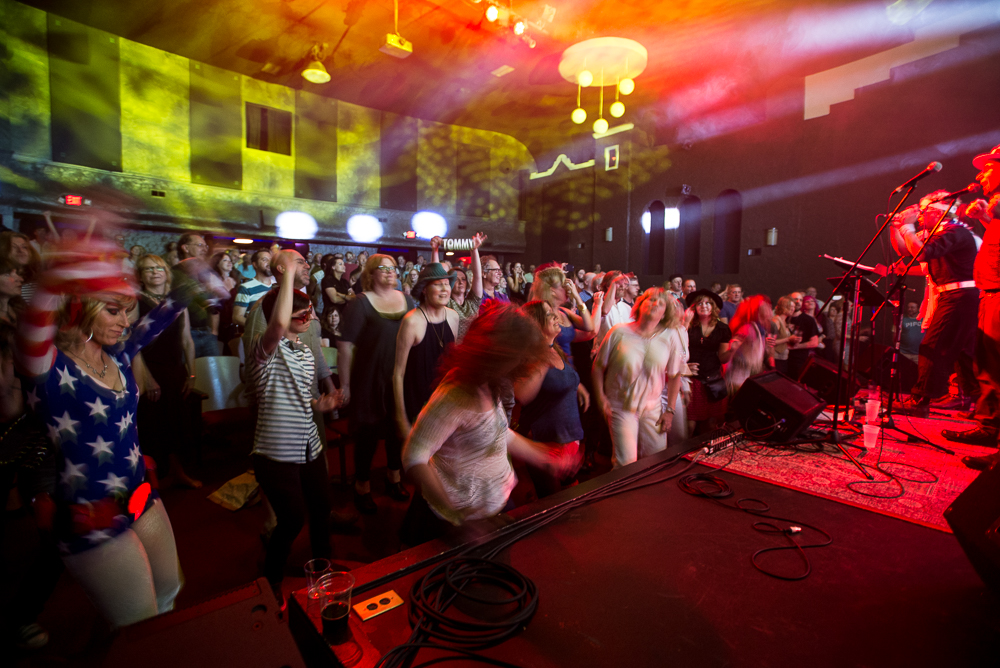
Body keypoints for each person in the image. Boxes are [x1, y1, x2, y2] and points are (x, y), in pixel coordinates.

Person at [14, 238, 226, 628]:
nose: (125, 322)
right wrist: (65, 269)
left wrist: (191, 274)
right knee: (138, 625)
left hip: (140, 493)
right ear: (79, 310)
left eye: (126, 312)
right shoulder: (46, 367)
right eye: (113, 311)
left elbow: (162, 315)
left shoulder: (118, 353)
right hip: (89, 517)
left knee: (169, 594)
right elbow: (34, 319)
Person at [399, 304, 573, 545]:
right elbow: (414, 457)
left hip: (489, 512)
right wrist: (459, 520)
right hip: (452, 522)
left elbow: (499, 432)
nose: (524, 364)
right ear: (495, 354)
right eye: (518, 357)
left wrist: (542, 456)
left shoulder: (490, 384)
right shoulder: (456, 393)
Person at [247, 253, 341, 602]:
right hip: (276, 451)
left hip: (309, 444)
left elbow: (306, 398)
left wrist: (323, 403)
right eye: (300, 313)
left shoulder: (301, 351)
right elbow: (276, 326)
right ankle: (270, 576)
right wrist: (286, 276)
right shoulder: (266, 350)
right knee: (291, 520)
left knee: (321, 509)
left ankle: (324, 567)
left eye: (311, 311)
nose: (310, 317)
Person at [338, 255, 416, 514]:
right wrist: (345, 385)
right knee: (368, 436)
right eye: (384, 268)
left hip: (401, 377)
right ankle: (362, 487)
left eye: (394, 267)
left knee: (397, 431)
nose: (391, 272)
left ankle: (393, 478)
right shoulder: (360, 303)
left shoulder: (407, 300)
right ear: (370, 274)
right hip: (369, 378)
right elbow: (345, 346)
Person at [891, 192, 978, 416]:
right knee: (964, 352)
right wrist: (897, 227)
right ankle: (979, 403)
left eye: (924, 211)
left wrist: (907, 228)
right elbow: (904, 249)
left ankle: (920, 400)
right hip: (956, 296)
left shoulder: (954, 231)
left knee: (933, 345)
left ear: (939, 213)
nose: (920, 216)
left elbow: (921, 253)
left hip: (960, 294)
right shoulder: (937, 232)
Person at [944, 145, 1000, 462]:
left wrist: (988, 209)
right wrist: (985, 217)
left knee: (997, 363)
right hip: (990, 289)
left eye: (989, 168)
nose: (980, 175)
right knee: (988, 363)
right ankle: (990, 427)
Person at [592, 288, 687, 468]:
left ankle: (649, 496)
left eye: (660, 304)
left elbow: (675, 375)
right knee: (625, 463)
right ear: (640, 305)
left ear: (665, 313)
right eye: (650, 300)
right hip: (621, 405)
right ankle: (621, 496)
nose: (654, 305)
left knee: (656, 460)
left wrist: (670, 411)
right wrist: (601, 398)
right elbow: (597, 367)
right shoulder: (618, 332)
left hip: (653, 407)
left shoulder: (671, 336)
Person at [133, 254, 200, 489]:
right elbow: (132, 344)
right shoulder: (136, 302)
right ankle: (154, 480)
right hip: (150, 370)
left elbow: (187, 340)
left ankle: (178, 472)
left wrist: (191, 374)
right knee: (154, 428)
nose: (155, 272)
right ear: (140, 276)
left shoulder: (177, 302)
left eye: (159, 267)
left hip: (175, 371)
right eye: (148, 268)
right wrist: (146, 378)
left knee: (177, 425)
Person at [515, 300, 589, 498]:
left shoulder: (554, 348)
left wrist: (577, 386)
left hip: (566, 439)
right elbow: (521, 394)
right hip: (545, 443)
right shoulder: (530, 355)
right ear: (534, 324)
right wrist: (541, 359)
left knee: (571, 500)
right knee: (552, 504)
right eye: (549, 314)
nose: (556, 317)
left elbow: (559, 378)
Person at [393, 263, 458, 447]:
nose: (445, 289)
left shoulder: (453, 316)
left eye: (447, 283)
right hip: (419, 407)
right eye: (438, 284)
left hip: (446, 405)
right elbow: (398, 374)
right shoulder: (412, 321)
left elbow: (454, 365)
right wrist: (401, 418)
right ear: (424, 290)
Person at [685, 289, 734, 434]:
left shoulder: (722, 329)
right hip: (692, 380)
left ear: (713, 307)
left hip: (713, 380)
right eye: (700, 303)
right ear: (694, 307)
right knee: (690, 424)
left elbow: (722, 358)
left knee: (712, 424)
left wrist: (733, 351)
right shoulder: (688, 326)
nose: (704, 305)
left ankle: (708, 454)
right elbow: (678, 349)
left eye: (707, 303)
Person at [527, 264, 594, 360]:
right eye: (563, 286)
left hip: (568, 367)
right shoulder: (540, 315)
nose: (568, 289)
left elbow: (589, 326)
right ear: (553, 291)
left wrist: (578, 298)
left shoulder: (564, 312)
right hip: (552, 367)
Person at [430, 234, 485, 342]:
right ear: (449, 283)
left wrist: (474, 249)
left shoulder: (472, 302)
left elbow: (477, 275)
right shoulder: (446, 302)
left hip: (470, 350)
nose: (460, 282)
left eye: (463, 279)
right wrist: (435, 250)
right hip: (451, 350)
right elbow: (435, 276)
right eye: (456, 279)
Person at [176, 233, 220, 357]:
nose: (204, 249)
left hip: (207, 332)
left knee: (212, 373)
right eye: (200, 245)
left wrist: (213, 332)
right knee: (190, 373)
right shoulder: (175, 272)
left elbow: (214, 304)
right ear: (185, 248)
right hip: (185, 334)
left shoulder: (206, 273)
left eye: (205, 246)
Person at [725, 296, 776, 396]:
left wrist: (768, 348)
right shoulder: (747, 328)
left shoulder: (760, 329)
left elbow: (762, 355)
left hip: (748, 379)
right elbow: (729, 351)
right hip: (737, 380)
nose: (769, 309)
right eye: (765, 307)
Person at [232, 250, 273, 327]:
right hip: (256, 336)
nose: (269, 263)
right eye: (264, 259)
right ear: (255, 265)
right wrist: (258, 328)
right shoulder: (246, 287)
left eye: (270, 259)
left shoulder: (277, 286)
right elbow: (237, 317)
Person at [786, 291, 820, 380]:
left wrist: (795, 347)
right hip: (782, 360)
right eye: (795, 299)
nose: (798, 302)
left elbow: (814, 342)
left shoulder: (808, 320)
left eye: (800, 300)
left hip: (798, 361)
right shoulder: (784, 317)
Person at [770, 296, 800, 376]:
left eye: (794, 307)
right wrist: (788, 339)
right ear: (784, 307)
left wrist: (793, 341)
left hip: (783, 358)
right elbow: (771, 342)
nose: (793, 309)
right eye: (791, 306)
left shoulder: (785, 321)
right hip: (776, 358)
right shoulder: (776, 320)